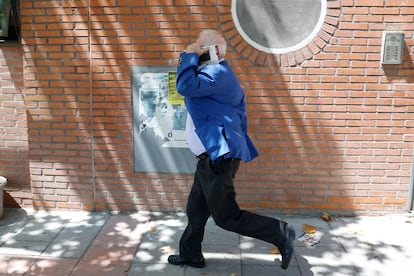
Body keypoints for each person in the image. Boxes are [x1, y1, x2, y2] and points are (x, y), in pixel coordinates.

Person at [167, 29, 295, 270]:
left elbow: (184, 86)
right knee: (196, 211)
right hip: (210, 158)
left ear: (209, 50)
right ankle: (191, 254)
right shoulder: (212, 72)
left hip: (217, 159)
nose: (193, 48)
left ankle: (280, 233)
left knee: (227, 217)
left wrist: (188, 55)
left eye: (198, 46)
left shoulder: (218, 72)